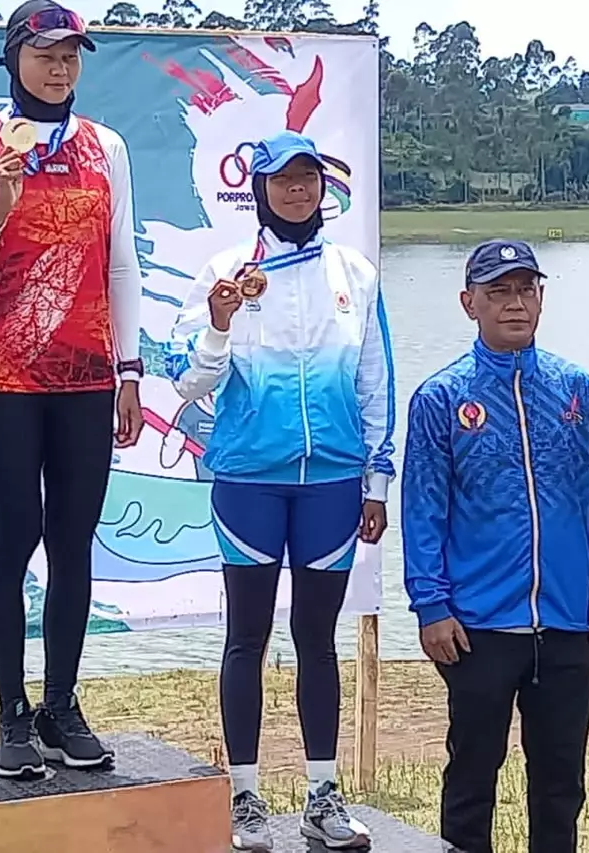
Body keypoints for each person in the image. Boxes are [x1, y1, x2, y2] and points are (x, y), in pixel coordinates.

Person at [0, 0, 144, 779]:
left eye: (72, 56)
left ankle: (61, 704)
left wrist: (129, 368)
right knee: (12, 542)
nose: (60, 68)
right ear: (14, 57)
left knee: (74, 546)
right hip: (3, 380)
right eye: (46, 54)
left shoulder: (105, 147)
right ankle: (11, 711)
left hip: (87, 377)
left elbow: (122, 263)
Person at [165, 130, 395, 852]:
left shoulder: (353, 273)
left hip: (330, 482)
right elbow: (185, 381)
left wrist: (376, 481)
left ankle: (322, 796)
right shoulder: (225, 271)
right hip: (248, 482)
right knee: (247, 638)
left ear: (323, 187)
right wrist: (219, 325)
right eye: (283, 179)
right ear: (259, 188)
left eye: (309, 178)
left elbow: (375, 383)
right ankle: (244, 799)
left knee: (317, 640)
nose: (298, 190)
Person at [400, 239, 589, 853]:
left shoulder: (576, 390)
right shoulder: (441, 399)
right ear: (468, 302)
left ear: (541, 297)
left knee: (560, 784)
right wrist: (431, 604)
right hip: (478, 628)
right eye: (498, 291)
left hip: (563, 624)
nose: (514, 303)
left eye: (525, 289)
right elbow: (423, 509)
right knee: (473, 777)